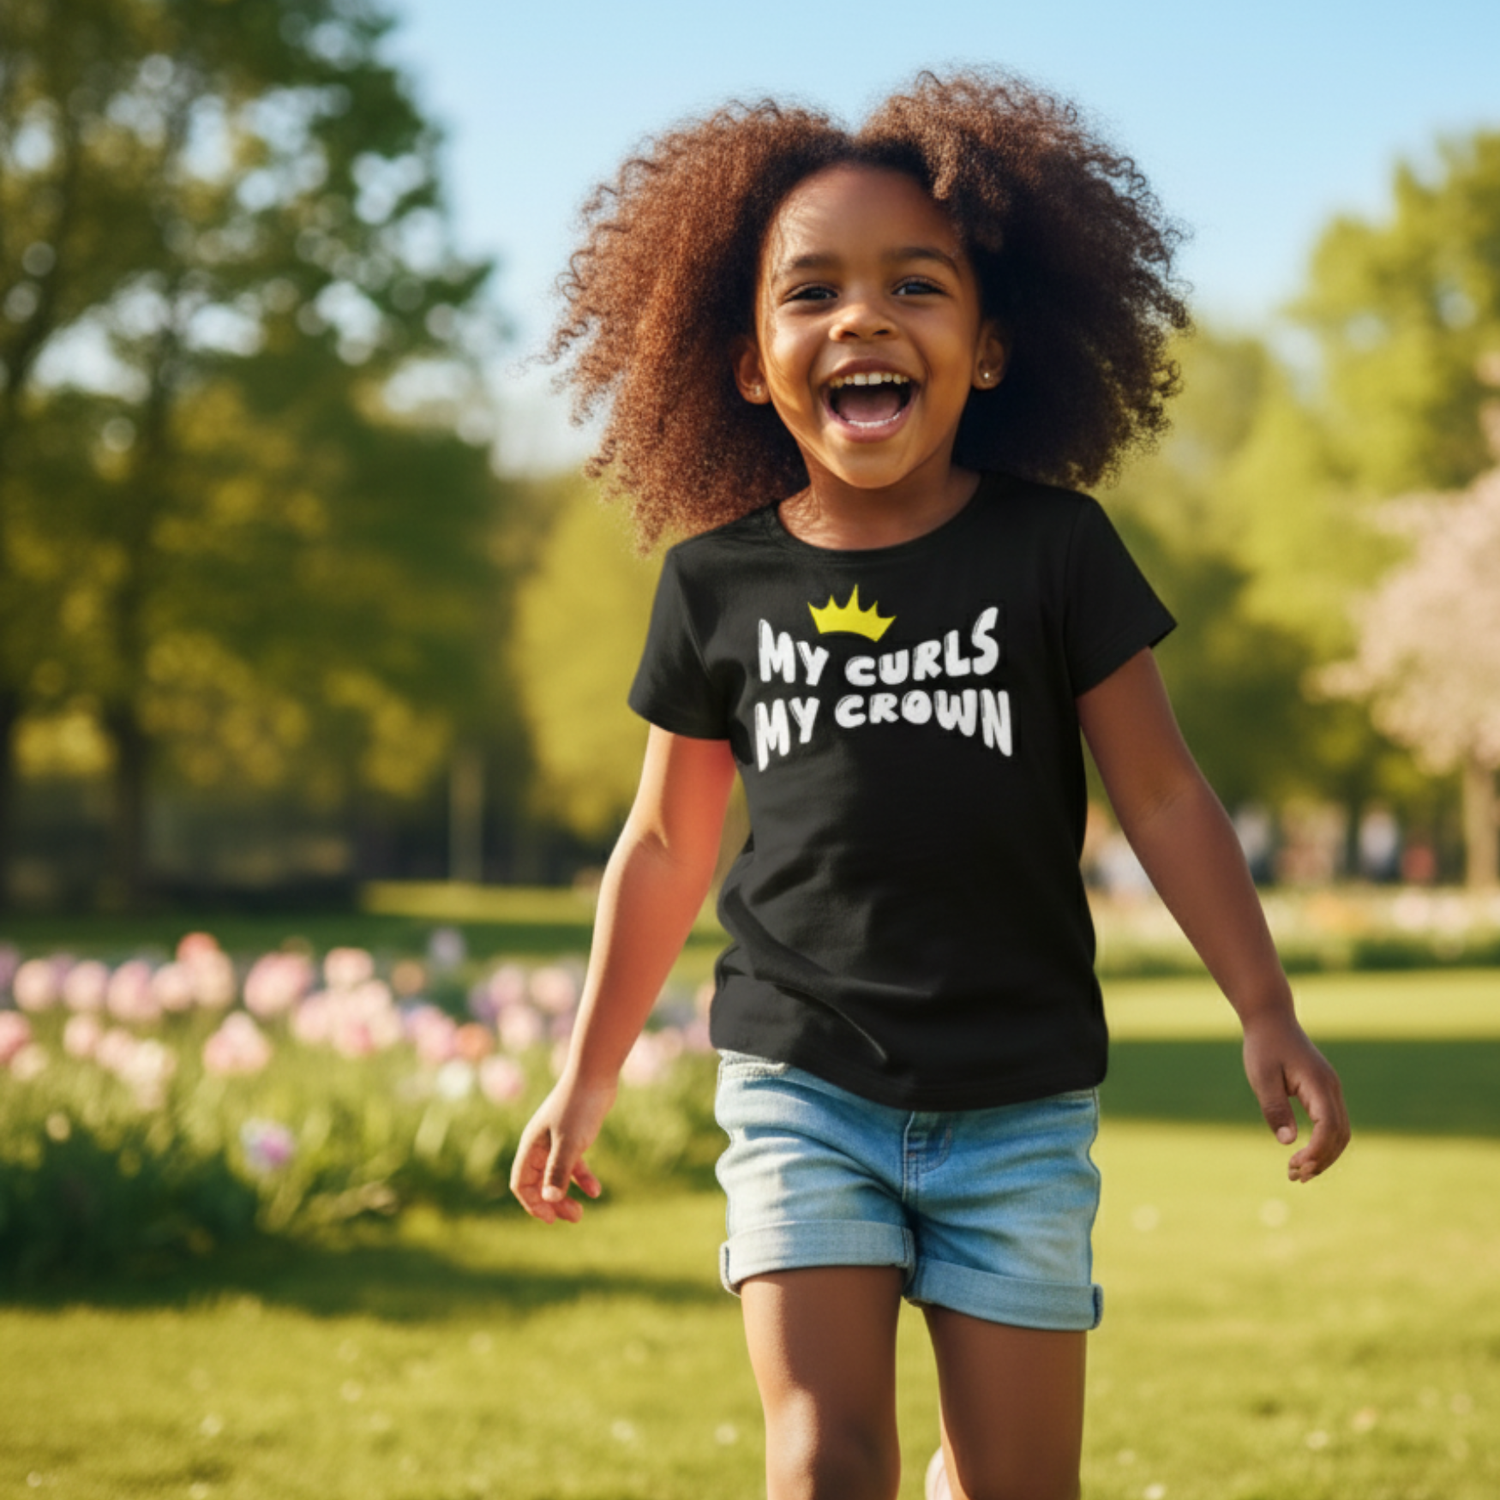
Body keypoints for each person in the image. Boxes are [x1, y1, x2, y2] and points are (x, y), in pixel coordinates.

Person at [510, 70, 1350, 1500]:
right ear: (746, 360)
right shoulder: (715, 585)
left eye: (917, 284)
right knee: (827, 1463)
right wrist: (584, 1078)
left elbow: (1160, 797)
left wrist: (1265, 1006)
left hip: (1018, 1100)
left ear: (995, 348)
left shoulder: (1055, 552)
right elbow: (665, 843)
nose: (862, 319)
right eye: (811, 291)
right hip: (802, 1082)